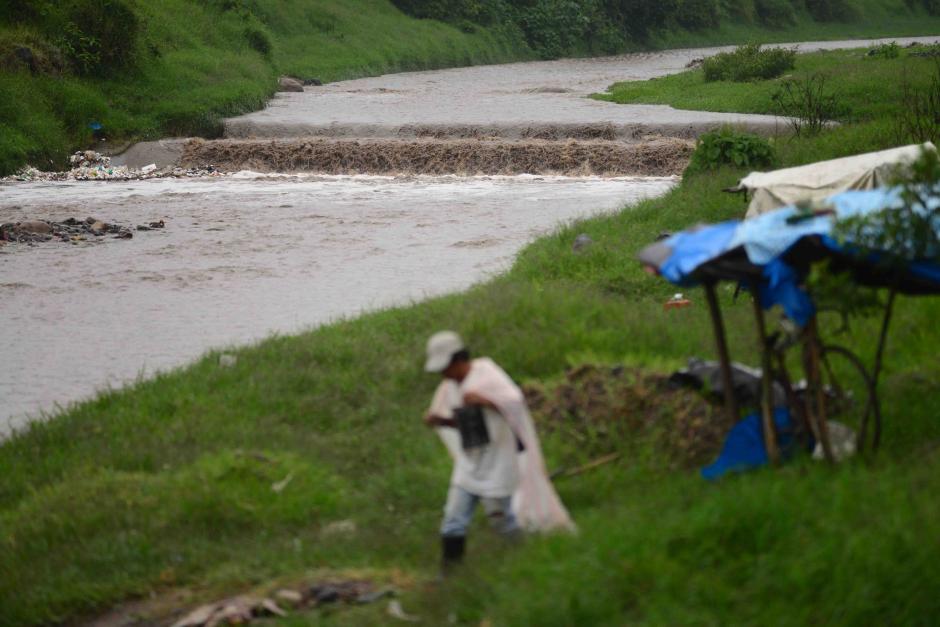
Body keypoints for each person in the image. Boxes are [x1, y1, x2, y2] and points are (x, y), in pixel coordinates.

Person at [423, 330, 574, 573]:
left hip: (499, 463)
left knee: (503, 522)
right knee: (453, 520)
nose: (443, 374)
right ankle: (449, 575)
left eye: (445, 368)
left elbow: (514, 402)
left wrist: (484, 400)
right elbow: (463, 423)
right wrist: (440, 420)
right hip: (469, 463)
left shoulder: (486, 374)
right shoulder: (449, 387)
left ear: (458, 360)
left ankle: (526, 562)